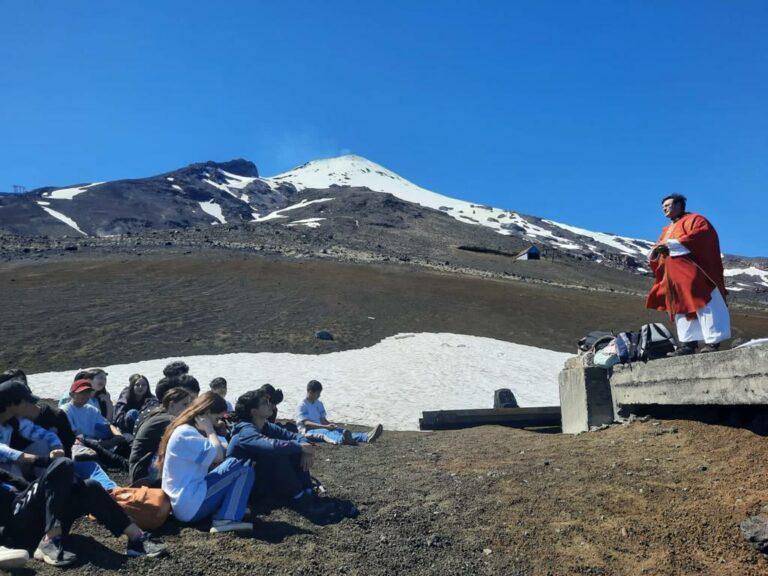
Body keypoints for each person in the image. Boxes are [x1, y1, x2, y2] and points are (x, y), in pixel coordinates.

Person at [0, 458, 166, 566]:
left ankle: (136, 538)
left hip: (33, 508)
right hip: (16, 526)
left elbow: (21, 484)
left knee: (90, 486)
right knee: (63, 464)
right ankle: (50, 537)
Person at [157, 392, 254, 533]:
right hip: (189, 505)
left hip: (185, 500)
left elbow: (219, 449)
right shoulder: (186, 434)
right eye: (217, 417)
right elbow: (218, 456)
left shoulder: (185, 430)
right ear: (207, 413)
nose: (219, 421)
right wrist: (209, 429)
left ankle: (232, 507)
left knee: (235, 463)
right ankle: (226, 519)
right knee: (244, 470)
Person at [646, 194, 731, 355]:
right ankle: (688, 344)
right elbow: (658, 247)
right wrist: (656, 252)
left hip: (696, 274)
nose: (664, 208)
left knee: (706, 304)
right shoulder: (666, 229)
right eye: (663, 206)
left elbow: (702, 237)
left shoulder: (696, 220)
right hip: (674, 278)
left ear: (679, 205)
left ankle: (713, 342)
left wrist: (672, 246)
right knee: (681, 308)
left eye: (668, 205)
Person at [228, 390, 333, 517]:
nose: (270, 404)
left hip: (260, 480)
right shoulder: (245, 431)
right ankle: (301, 500)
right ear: (254, 411)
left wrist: (305, 449)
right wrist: (301, 447)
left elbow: (294, 436)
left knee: (295, 451)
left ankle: (308, 494)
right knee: (276, 454)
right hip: (243, 487)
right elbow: (270, 446)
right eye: (265, 402)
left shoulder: (265, 426)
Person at [128, 387, 193, 485]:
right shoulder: (166, 419)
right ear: (171, 405)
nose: (189, 409)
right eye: (185, 405)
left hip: (140, 470)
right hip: (143, 475)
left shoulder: (158, 414)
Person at [0, 381, 65, 476]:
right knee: (12, 472)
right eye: (25, 402)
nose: (28, 405)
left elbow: (44, 434)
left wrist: (57, 448)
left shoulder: (14, 420)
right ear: (11, 404)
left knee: (42, 444)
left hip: (8, 461)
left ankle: (49, 481)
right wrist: (29, 458)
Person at [62, 379, 130, 464]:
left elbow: (107, 424)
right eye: (81, 392)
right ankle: (123, 463)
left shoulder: (91, 409)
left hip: (98, 441)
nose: (85, 395)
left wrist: (118, 435)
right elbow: (74, 435)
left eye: (87, 392)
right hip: (81, 444)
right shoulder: (66, 410)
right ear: (72, 394)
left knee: (127, 437)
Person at [296, 380, 383, 445]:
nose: (319, 395)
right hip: (308, 431)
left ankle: (366, 436)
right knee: (325, 432)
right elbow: (306, 423)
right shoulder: (302, 405)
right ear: (310, 392)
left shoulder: (319, 403)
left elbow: (322, 419)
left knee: (341, 430)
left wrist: (330, 425)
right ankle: (342, 440)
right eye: (317, 393)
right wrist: (325, 427)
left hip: (320, 426)